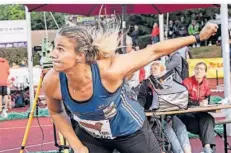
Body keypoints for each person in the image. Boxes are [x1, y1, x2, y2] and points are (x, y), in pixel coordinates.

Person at [42, 20, 218, 153]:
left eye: (60, 48)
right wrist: (77, 146)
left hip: (130, 131)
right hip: (93, 135)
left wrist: (197, 37)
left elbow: (154, 51)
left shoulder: (110, 71)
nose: (53, 54)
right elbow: (56, 112)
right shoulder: (53, 81)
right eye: (54, 47)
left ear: (80, 55)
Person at [138, 61, 192, 153]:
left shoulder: (170, 81)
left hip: (170, 114)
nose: (152, 70)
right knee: (169, 131)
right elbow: (142, 99)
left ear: (162, 70)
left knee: (181, 127)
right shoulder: (146, 83)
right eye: (151, 69)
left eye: (155, 68)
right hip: (155, 117)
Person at [178, 62, 215, 153]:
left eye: (201, 69)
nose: (198, 71)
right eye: (197, 68)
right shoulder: (186, 82)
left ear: (205, 72)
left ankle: (207, 149)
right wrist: (199, 104)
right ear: (194, 70)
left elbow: (207, 99)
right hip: (185, 114)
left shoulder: (206, 83)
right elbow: (183, 101)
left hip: (200, 113)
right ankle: (209, 149)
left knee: (209, 118)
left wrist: (206, 103)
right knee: (206, 125)